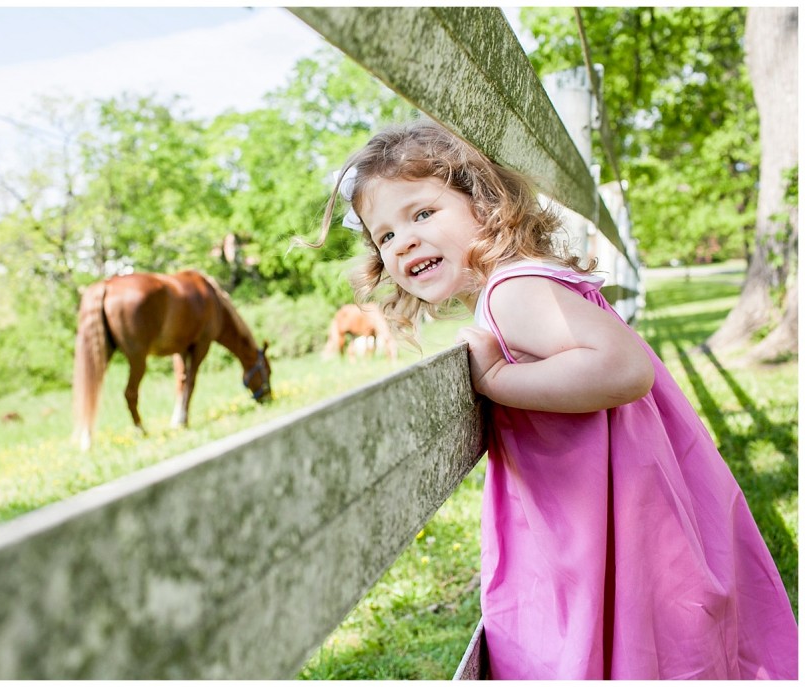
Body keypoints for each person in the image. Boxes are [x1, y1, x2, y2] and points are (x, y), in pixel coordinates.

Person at [306, 119, 798, 679]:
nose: (405, 241)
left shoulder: (511, 293)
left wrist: (495, 383)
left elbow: (625, 367)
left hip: (617, 500)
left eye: (422, 213)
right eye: (385, 235)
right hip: (614, 493)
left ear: (484, 204)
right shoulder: (515, 287)